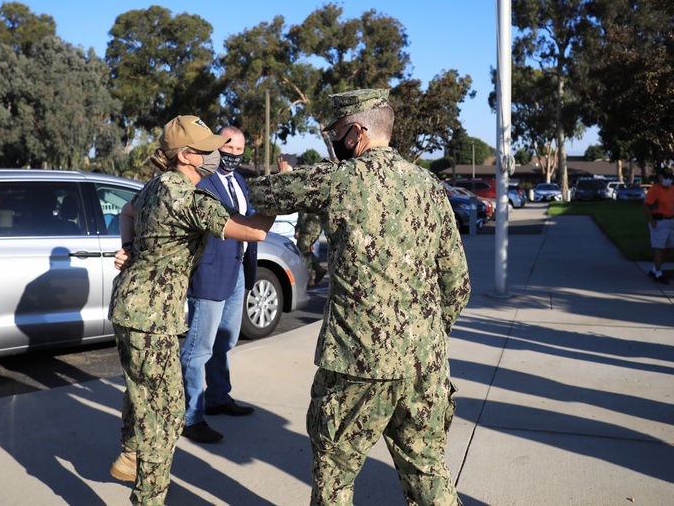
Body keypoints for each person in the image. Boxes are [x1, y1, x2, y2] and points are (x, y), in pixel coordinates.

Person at [248, 89, 472, 506]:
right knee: (429, 474)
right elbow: (458, 284)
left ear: (356, 133)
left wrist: (282, 172)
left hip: (356, 365)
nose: (334, 141)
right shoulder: (431, 186)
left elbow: (262, 194)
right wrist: (426, 338)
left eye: (336, 132)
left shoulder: (340, 179)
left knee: (335, 480)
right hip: (424, 366)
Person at [107, 115, 274, 506]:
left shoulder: (154, 187)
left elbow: (126, 213)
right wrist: (280, 199)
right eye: (208, 150)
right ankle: (148, 496)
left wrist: (131, 247)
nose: (216, 155)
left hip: (130, 307)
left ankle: (130, 455)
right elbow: (255, 232)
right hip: (152, 316)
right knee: (165, 413)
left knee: (141, 394)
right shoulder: (188, 197)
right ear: (186, 156)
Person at [180, 125, 258, 444]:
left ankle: (217, 397)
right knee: (198, 349)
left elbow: (248, 221)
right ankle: (190, 416)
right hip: (210, 275)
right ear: (216, 147)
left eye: (239, 150)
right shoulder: (203, 180)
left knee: (224, 342)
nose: (233, 155)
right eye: (228, 148)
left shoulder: (239, 181)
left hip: (236, 271)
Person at [643, 167, 674, 285]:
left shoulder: (672, 188)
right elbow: (646, 205)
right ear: (660, 177)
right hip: (659, 222)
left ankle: (654, 269)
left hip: (669, 221)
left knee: (670, 247)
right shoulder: (655, 189)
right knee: (659, 248)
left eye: (670, 177)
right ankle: (658, 273)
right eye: (665, 177)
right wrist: (652, 221)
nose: (668, 179)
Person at [295, 210, 326, 288]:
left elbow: (303, 215)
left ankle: (309, 278)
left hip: (307, 229)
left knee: (304, 252)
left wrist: (298, 229)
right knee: (306, 251)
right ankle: (318, 269)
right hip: (316, 228)